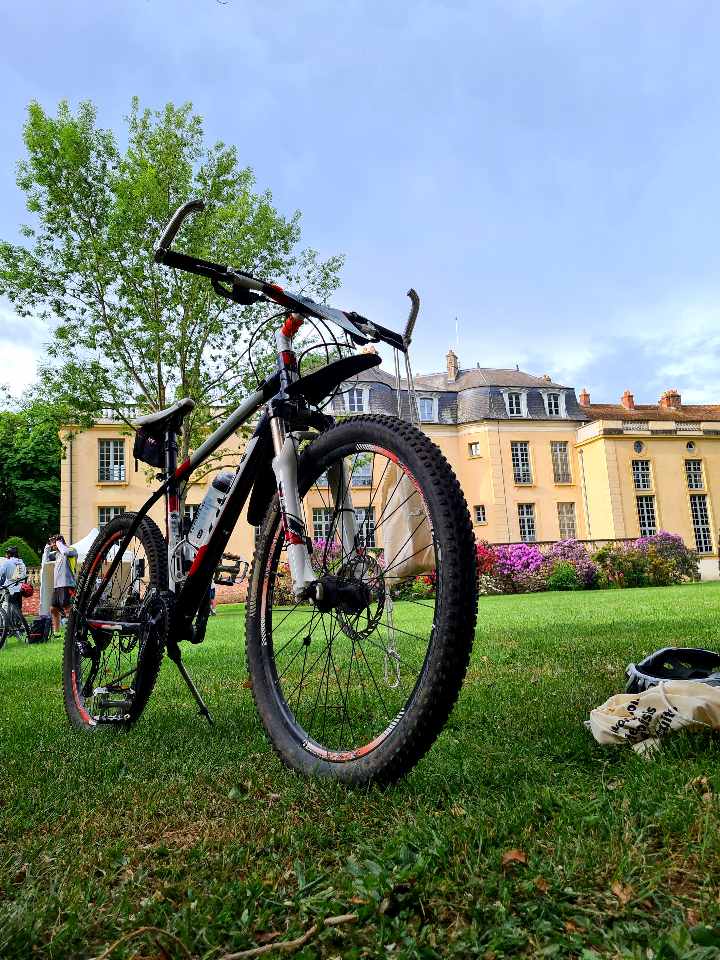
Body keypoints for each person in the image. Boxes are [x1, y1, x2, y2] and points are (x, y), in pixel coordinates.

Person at [43, 535, 78, 634]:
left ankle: (73, 631)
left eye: (54, 542)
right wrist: (47, 546)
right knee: (53, 608)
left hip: (67, 584)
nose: (53, 544)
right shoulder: (57, 554)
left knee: (67, 607)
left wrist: (59, 543)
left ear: (60, 542)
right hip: (57, 585)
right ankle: (57, 632)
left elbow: (65, 552)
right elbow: (45, 560)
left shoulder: (71, 550)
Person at [0, 546, 27, 614]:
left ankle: (7, 622)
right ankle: (18, 622)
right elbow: (23, 576)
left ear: (9, 554)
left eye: (6, 554)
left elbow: (1, 572)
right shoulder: (22, 563)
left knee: (7, 604)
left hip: (10, 587)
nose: (5, 555)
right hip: (20, 588)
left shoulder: (7, 562)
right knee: (18, 606)